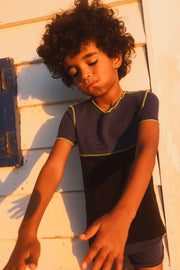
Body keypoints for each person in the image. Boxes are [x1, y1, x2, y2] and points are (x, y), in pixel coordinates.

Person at [3, 0, 166, 269]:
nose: (85, 75)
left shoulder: (143, 101)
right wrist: (26, 233)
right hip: (102, 239)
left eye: (91, 61)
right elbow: (53, 169)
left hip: (145, 229)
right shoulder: (75, 116)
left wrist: (122, 218)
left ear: (116, 56)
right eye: (75, 72)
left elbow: (147, 150)